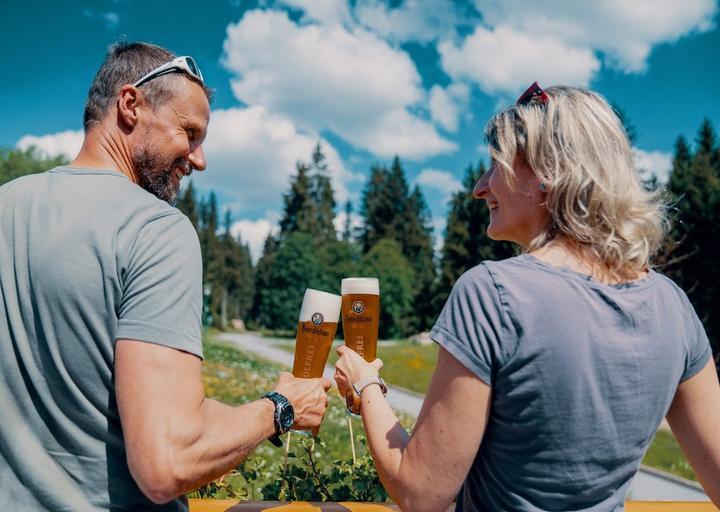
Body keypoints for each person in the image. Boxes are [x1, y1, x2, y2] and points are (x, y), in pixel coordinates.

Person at [335, 83, 720, 511]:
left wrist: (365, 383)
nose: (479, 188)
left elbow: (421, 491)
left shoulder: (492, 293)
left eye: (495, 166)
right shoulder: (672, 304)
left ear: (547, 173)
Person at [0, 42, 330, 511]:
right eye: (189, 132)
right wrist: (280, 406)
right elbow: (168, 461)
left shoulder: (6, 204)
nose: (199, 159)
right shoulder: (154, 228)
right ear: (130, 105)